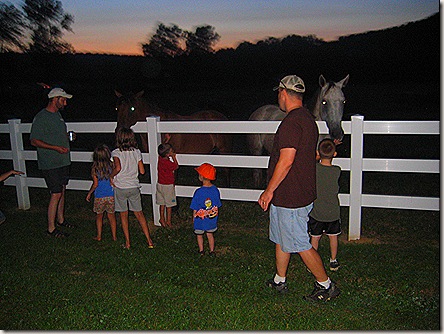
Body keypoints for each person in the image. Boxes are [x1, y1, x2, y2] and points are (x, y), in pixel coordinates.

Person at [258, 75, 340, 301]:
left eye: (279, 94)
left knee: (300, 243)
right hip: (297, 192)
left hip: (290, 195)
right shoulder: (307, 119)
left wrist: (269, 190)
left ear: (283, 94)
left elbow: (286, 161)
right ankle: (279, 280)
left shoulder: (291, 123)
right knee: (281, 237)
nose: (278, 97)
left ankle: (326, 285)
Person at [30, 87, 76, 238]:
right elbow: (34, 140)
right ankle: (51, 228)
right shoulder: (41, 117)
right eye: (63, 100)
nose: (65, 103)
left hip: (62, 161)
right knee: (55, 193)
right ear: (55, 99)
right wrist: (55, 148)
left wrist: (70, 137)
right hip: (50, 162)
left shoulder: (58, 116)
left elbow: (56, 135)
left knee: (62, 190)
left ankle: (61, 220)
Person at [110, 127, 154, 249]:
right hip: (134, 187)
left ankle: (128, 242)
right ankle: (149, 240)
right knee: (139, 214)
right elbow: (142, 171)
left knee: (123, 215)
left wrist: (111, 176)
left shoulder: (115, 153)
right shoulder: (137, 152)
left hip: (121, 187)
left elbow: (117, 168)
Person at [308, 138, 342, 271]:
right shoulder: (337, 170)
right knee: (333, 237)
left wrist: (318, 156)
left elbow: (312, 162)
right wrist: (332, 145)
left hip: (317, 211)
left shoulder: (314, 169)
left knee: (314, 238)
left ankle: (312, 263)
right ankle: (333, 260)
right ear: (335, 154)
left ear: (318, 153)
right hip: (332, 212)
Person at [86, 144, 117, 242]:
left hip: (100, 196)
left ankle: (99, 236)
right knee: (111, 216)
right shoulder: (111, 166)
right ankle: (114, 236)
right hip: (111, 196)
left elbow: (95, 184)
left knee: (99, 216)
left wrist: (90, 192)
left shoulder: (95, 169)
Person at [190, 163, 221, 256]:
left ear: (201, 176)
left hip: (200, 219)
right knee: (210, 234)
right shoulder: (215, 190)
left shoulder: (198, 192)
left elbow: (195, 206)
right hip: (211, 219)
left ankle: (201, 251)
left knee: (199, 235)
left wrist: (194, 216)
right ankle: (212, 251)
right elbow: (217, 205)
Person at [156, 143, 179, 227]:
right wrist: (174, 157)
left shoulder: (160, 159)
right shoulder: (168, 163)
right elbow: (176, 166)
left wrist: (166, 140)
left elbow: (161, 149)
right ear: (168, 154)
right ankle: (168, 221)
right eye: (171, 151)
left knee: (162, 204)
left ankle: (162, 218)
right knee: (169, 205)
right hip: (168, 186)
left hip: (160, 184)